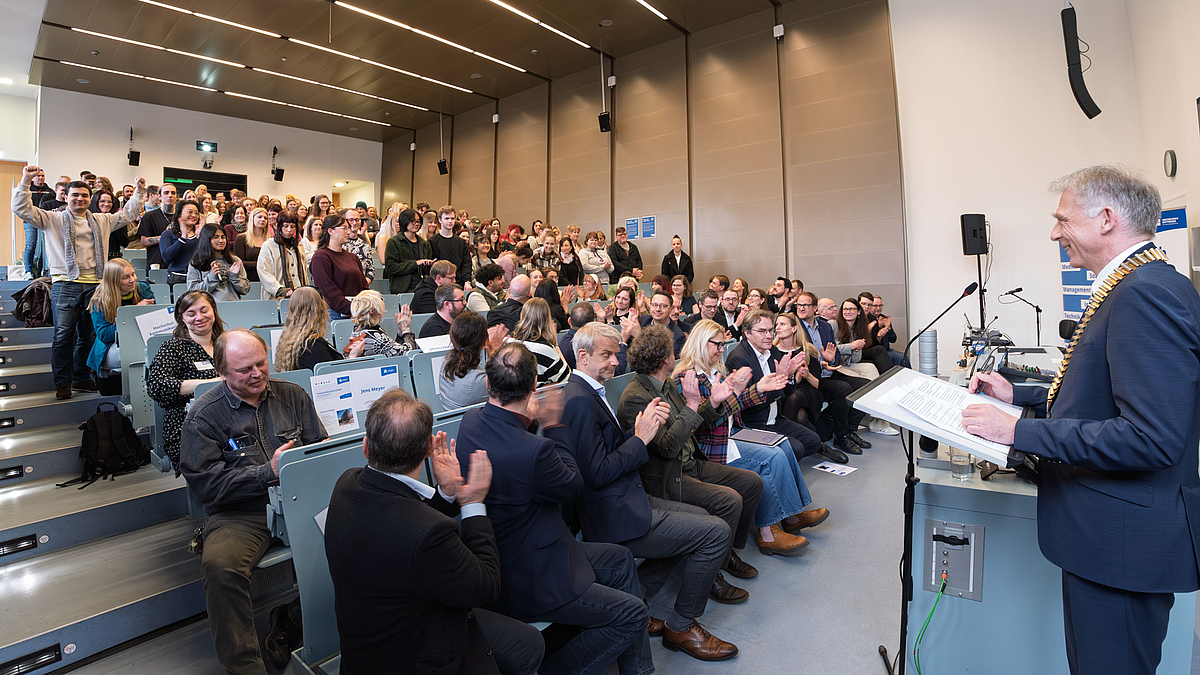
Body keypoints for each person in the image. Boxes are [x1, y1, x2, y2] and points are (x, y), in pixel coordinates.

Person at [962, 166, 1200, 675]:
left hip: (1123, 543)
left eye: (1063, 219)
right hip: (1114, 537)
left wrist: (1017, 430)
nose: (1054, 233)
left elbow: (1150, 437)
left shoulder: (1143, 293)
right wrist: (1020, 395)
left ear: (1107, 218)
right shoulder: (1136, 283)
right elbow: (1103, 393)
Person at [454, 343, 651, 675]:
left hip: (507, 553)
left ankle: (638, 669)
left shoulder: (470, 421)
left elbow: (513, 452)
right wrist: (553, 425)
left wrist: (531, 423)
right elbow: (572, 485)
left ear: (488, 384)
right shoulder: (536, 451)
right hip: (533, 575)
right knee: (632, 614)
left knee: (620, 560)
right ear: (534, 385)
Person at [550, 322, 738, 661]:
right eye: (606, 355)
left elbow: (605, 454)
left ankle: (639, 598)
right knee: (715, 532)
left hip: (627, 498)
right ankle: (682, 625)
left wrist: (637, 432)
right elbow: (596, 474)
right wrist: (640, 438)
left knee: (701, 519)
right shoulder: (579, 400)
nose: (615, 362)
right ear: (583, 356)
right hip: (613, 513)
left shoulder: (590, 392)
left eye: (615, 354)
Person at [325, 388, 543, 675]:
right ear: (429, 449)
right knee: (530, 644)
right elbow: (486, 586)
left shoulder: (347, 484)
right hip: (415, 656)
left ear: (366, 447)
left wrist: (446, 494)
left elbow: (402, 530)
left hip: (366, 650)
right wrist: (473, 503)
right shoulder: (427, 532)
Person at [180, 329, 326, 675]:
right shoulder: (203, 416)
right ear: (222, 373)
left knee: (360, 534)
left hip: (300, 499)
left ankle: (292, 620)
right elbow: (208, 487)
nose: (257, 374)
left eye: (261, 363)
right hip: (241, 512)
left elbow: (318, 447)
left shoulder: (293, 395)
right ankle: (244, 667)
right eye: (245, 369)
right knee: (221, 567)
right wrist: (266, 473)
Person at [617, 325, 766, 591]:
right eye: (671, 351)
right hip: (668, 475)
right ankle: (712, 574)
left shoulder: (664, 383)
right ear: (664, 358)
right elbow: (667, 447)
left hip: (689, 462)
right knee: (729, 500)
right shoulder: (637, 397)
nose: (675, 355)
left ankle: (725, 554)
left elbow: (692, 425)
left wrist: (713, 403)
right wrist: (692, 404)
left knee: (751, 483)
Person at [677, 319, 829, 555]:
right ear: (700, 343)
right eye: (717, 345)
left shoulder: (715, 371)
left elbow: (733, 405)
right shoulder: (687, 378)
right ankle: (768, 534)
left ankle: (792, 515)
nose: (721, 350)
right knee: (771, 458)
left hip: (732, 433)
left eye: (722, 345)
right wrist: (730, 396)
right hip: (713, 445)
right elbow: (700, 424)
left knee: (783, 446)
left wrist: (758, 389)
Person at [12, 165, 145, 399]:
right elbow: (22, 209)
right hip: (66, 284)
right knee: (63, 335)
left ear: (89, 198)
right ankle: (63, 382)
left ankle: (82, 378)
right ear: (66, 197)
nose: (80, 199)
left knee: (89, 335)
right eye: (75, 195)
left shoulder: (102, 220)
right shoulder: (52, 218)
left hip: (96, 285)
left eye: (84, 195)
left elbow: (127, 215)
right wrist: (25, 181)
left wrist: (139, 192)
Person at [725, 310, 844, 463]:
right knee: (796, 448)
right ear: (747, 333)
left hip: (775, 418)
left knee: (813, 441)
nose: (769, 336)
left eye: (770, 330)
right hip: (754, 423)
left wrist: (788, 376)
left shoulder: (772, 351)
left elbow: (788, 392)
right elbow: (747, 404)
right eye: (762, 331)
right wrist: (776, 384)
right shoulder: (739, 358)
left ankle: (782, 461)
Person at [147, 291, 226, 469]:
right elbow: (157, 386)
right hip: (189, 424)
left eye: (204, 310)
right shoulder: (173, 347)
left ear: (213, 310)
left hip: (229, 419)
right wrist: (212, 384)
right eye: (191, 314)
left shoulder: (226, 343)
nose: (199, 317)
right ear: (182, 318)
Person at [795, 291, 872, 453]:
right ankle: (841, 437)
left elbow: (835, 353)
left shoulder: (825, 326)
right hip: (811, 377)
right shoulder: (796, 327)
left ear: (815, 308)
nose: (801, 308)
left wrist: (830, 360)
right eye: (799, 305)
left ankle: (851, 431)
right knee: (843, 389)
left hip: (830, 372)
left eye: (805, 305)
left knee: (866, 387)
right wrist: (821, 362)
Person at [87, 258, 154, 384]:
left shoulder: (143, 289)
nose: (132, 280)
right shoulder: (99, 300)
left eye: (133, 274)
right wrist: (133, 312)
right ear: (114, 280)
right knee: (135, 352)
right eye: (125, 277)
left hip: (141, 340)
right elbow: (104, 335)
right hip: (112, 345)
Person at [274, 287, 365, 372]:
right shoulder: (312, 346)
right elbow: (332, 377)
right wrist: (353, 357)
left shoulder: (288, 340)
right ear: (319, 309)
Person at [439, 311, 508, 410]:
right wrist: (495, 352)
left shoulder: (446, 362)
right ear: (484, 341)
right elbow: (504, 389)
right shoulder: (477, 382)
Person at [311, 214, 369, 320]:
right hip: (335, 314)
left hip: (357, 312)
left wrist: (366, 306)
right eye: (344, 228)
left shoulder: (352, 257)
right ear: (330, 231)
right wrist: (352, 309)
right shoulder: (321, 257)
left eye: (348, 228)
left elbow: (363, 286)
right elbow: (328, 291)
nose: (348, 232)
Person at [510, 298, 570, 385]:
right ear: (547, 319)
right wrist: (556, 344)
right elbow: (567, 378)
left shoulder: (508, 342)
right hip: (538, 393)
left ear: (522, 316)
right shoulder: (546, 350)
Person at [187, 224, 251, 301]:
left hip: (234, 305)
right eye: (216, 237)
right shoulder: (196, 262)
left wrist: (235, 277)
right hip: (210, 306)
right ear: (207, 239)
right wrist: (212, 277)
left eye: (223, 237)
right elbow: (193, 292)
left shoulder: (234, 261)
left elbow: (245, 289)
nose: (221, 240)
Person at [257, 212, 308, 301]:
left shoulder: (299, 246)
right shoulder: (269, 246)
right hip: (276, 298)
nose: (289, 230)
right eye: (286, 226)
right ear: (279, 226)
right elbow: (264, 271)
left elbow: (304, 272)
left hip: (299, 297)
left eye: (292, 226)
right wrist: (280, 289)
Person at [349, 290, 417, 357]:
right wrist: (406, 331)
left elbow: (392, 351)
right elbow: (408, 354)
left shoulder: (359, 329)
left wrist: (400, 334)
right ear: (372, 310)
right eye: (381, 300)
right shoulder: (376, 338)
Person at [385, 208, 434, 294]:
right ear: (404, 221)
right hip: (403, 289)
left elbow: (428, 271)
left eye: (418, 221)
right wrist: (415, 263)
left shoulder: (425, 244)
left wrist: (429, 264)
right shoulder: (394, 242)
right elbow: (391, 268)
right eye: (412, 221)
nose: (416, 224)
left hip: (423, 287)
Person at [160, 200, 204, 285]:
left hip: (198, 278)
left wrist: (200, 237)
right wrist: (183, 237)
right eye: (190, 212)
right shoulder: (168, 234)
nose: (194, 215)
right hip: (177, 278)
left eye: (196, 213)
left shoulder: (200, 234)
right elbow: (167, 258)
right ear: (179, 214)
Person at [138, 183, 176, 273]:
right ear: (159, 197)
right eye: (166, 193)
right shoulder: (149, 216)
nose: (170, 195)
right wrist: (165, 237)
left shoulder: (181, 217)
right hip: (156, 262)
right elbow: (144, 241)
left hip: (176, 264)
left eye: (173, 193)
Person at [430, 205, 471, 287]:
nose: (450, 221)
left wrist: (467, 281)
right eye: (446, 218)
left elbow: (466, 263)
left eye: (452, 218)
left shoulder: (461, 242)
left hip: (458, 283)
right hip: (439, 284)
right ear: (440, 220)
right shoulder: (432, 241)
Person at [638, 291, 686, 357]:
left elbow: (660, 361)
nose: (658, 309)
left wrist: (638, 335)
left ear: (671, 309)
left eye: (663, 306)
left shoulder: (677, 336)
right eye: (654, 305)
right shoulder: (644, 320)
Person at [231, 207, 269, 282]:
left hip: (267, 279)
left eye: (265, 218)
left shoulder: (270, 240)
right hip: (248, 279)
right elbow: (239, 263)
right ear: (252, 219)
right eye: (259, 217)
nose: (263, 219)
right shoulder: (241, 238)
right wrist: (261, 264)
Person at [341, 208, 376, 282]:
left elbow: (371, 269)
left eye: (357, 220)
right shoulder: (340, 244)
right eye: (351, 220)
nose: (354, 223)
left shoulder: (365, 245)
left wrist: (364, 283)